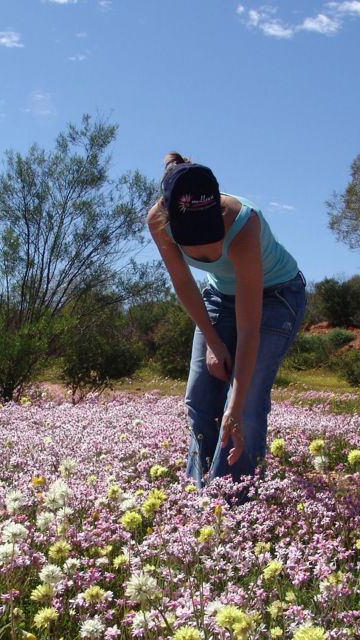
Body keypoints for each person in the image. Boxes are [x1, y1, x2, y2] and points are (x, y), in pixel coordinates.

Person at [147, 153, 306, 494]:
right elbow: (185, 283)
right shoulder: (158, 220)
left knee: (245, 403)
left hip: (276, 296)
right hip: (218, 297)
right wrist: (213, 343)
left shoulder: (244, 222)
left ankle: (233, 504)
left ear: (218, 211)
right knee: (200, 398)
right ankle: (197, 494)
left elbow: (250, 328)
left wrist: (233, 409)